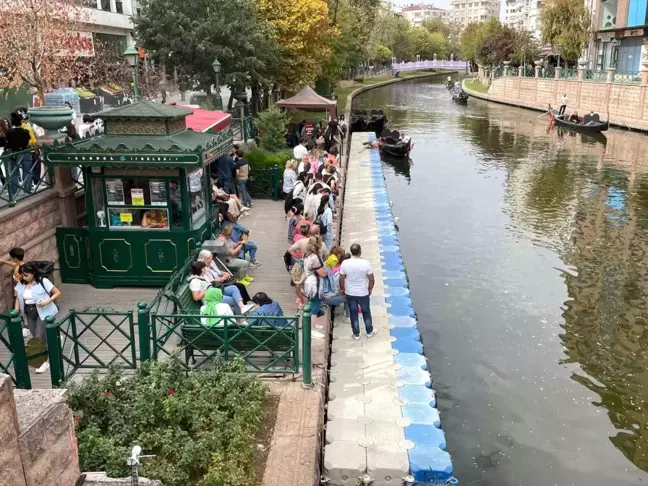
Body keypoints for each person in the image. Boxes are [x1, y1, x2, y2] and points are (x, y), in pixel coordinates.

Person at [14, 262, 61, 373]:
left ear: (33, 273)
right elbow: (17, 298)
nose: (24, 277)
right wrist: (16, 312)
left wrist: (47, 301)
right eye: (22, 275)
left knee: (39, 337)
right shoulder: (20, 284)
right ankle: (55, 337)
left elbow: (57, 293)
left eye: (27, 275)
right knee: (35, 335)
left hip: (43, 311)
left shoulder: (43, 281)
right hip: (29, 312)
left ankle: (43, 362)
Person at [339, 243, 376, 340]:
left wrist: (342, 289)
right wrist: (370, 288)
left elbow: (341, 278)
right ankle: (369, 331)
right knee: (366, 312)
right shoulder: (366, 263)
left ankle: (356, 334)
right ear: (360, 252)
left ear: (351, 252)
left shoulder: (345, 263)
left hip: (350, 292)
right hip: (363, 292)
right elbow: (371, 279)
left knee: (353, 313)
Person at [189, 261, 255, 314]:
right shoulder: (195, 282)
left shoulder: (203, 275)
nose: (205, 269)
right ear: (200, 270)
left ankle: (243, 307)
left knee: (233, 288)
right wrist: (207, 290)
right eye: (203, 268)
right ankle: (240, 320)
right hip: (210, 299)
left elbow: (211, 282)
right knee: (234, 301)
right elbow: (196, 297)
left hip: (215, 292)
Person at [302, 236, 328, 337]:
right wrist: (326, 272)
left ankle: (312, 325)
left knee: (312, 303)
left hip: (309, 281)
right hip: (314, 283)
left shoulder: (307, 255)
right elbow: (322, 273)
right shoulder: (315, 257)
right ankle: (312, 330)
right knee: (315, 305)